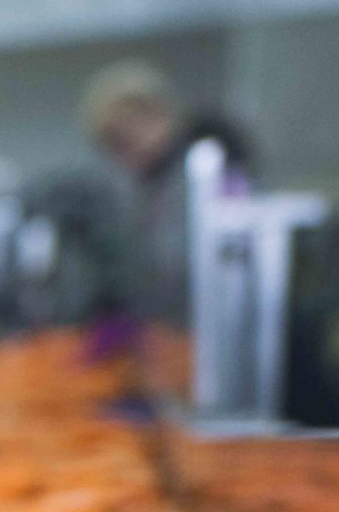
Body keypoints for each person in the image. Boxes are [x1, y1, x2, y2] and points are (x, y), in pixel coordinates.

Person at [79, 61, 253, 324]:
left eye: (122, 141)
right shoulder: (148, 185)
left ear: (155, 116)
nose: (122, 157)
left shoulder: (209, 172)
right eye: (113, 148)